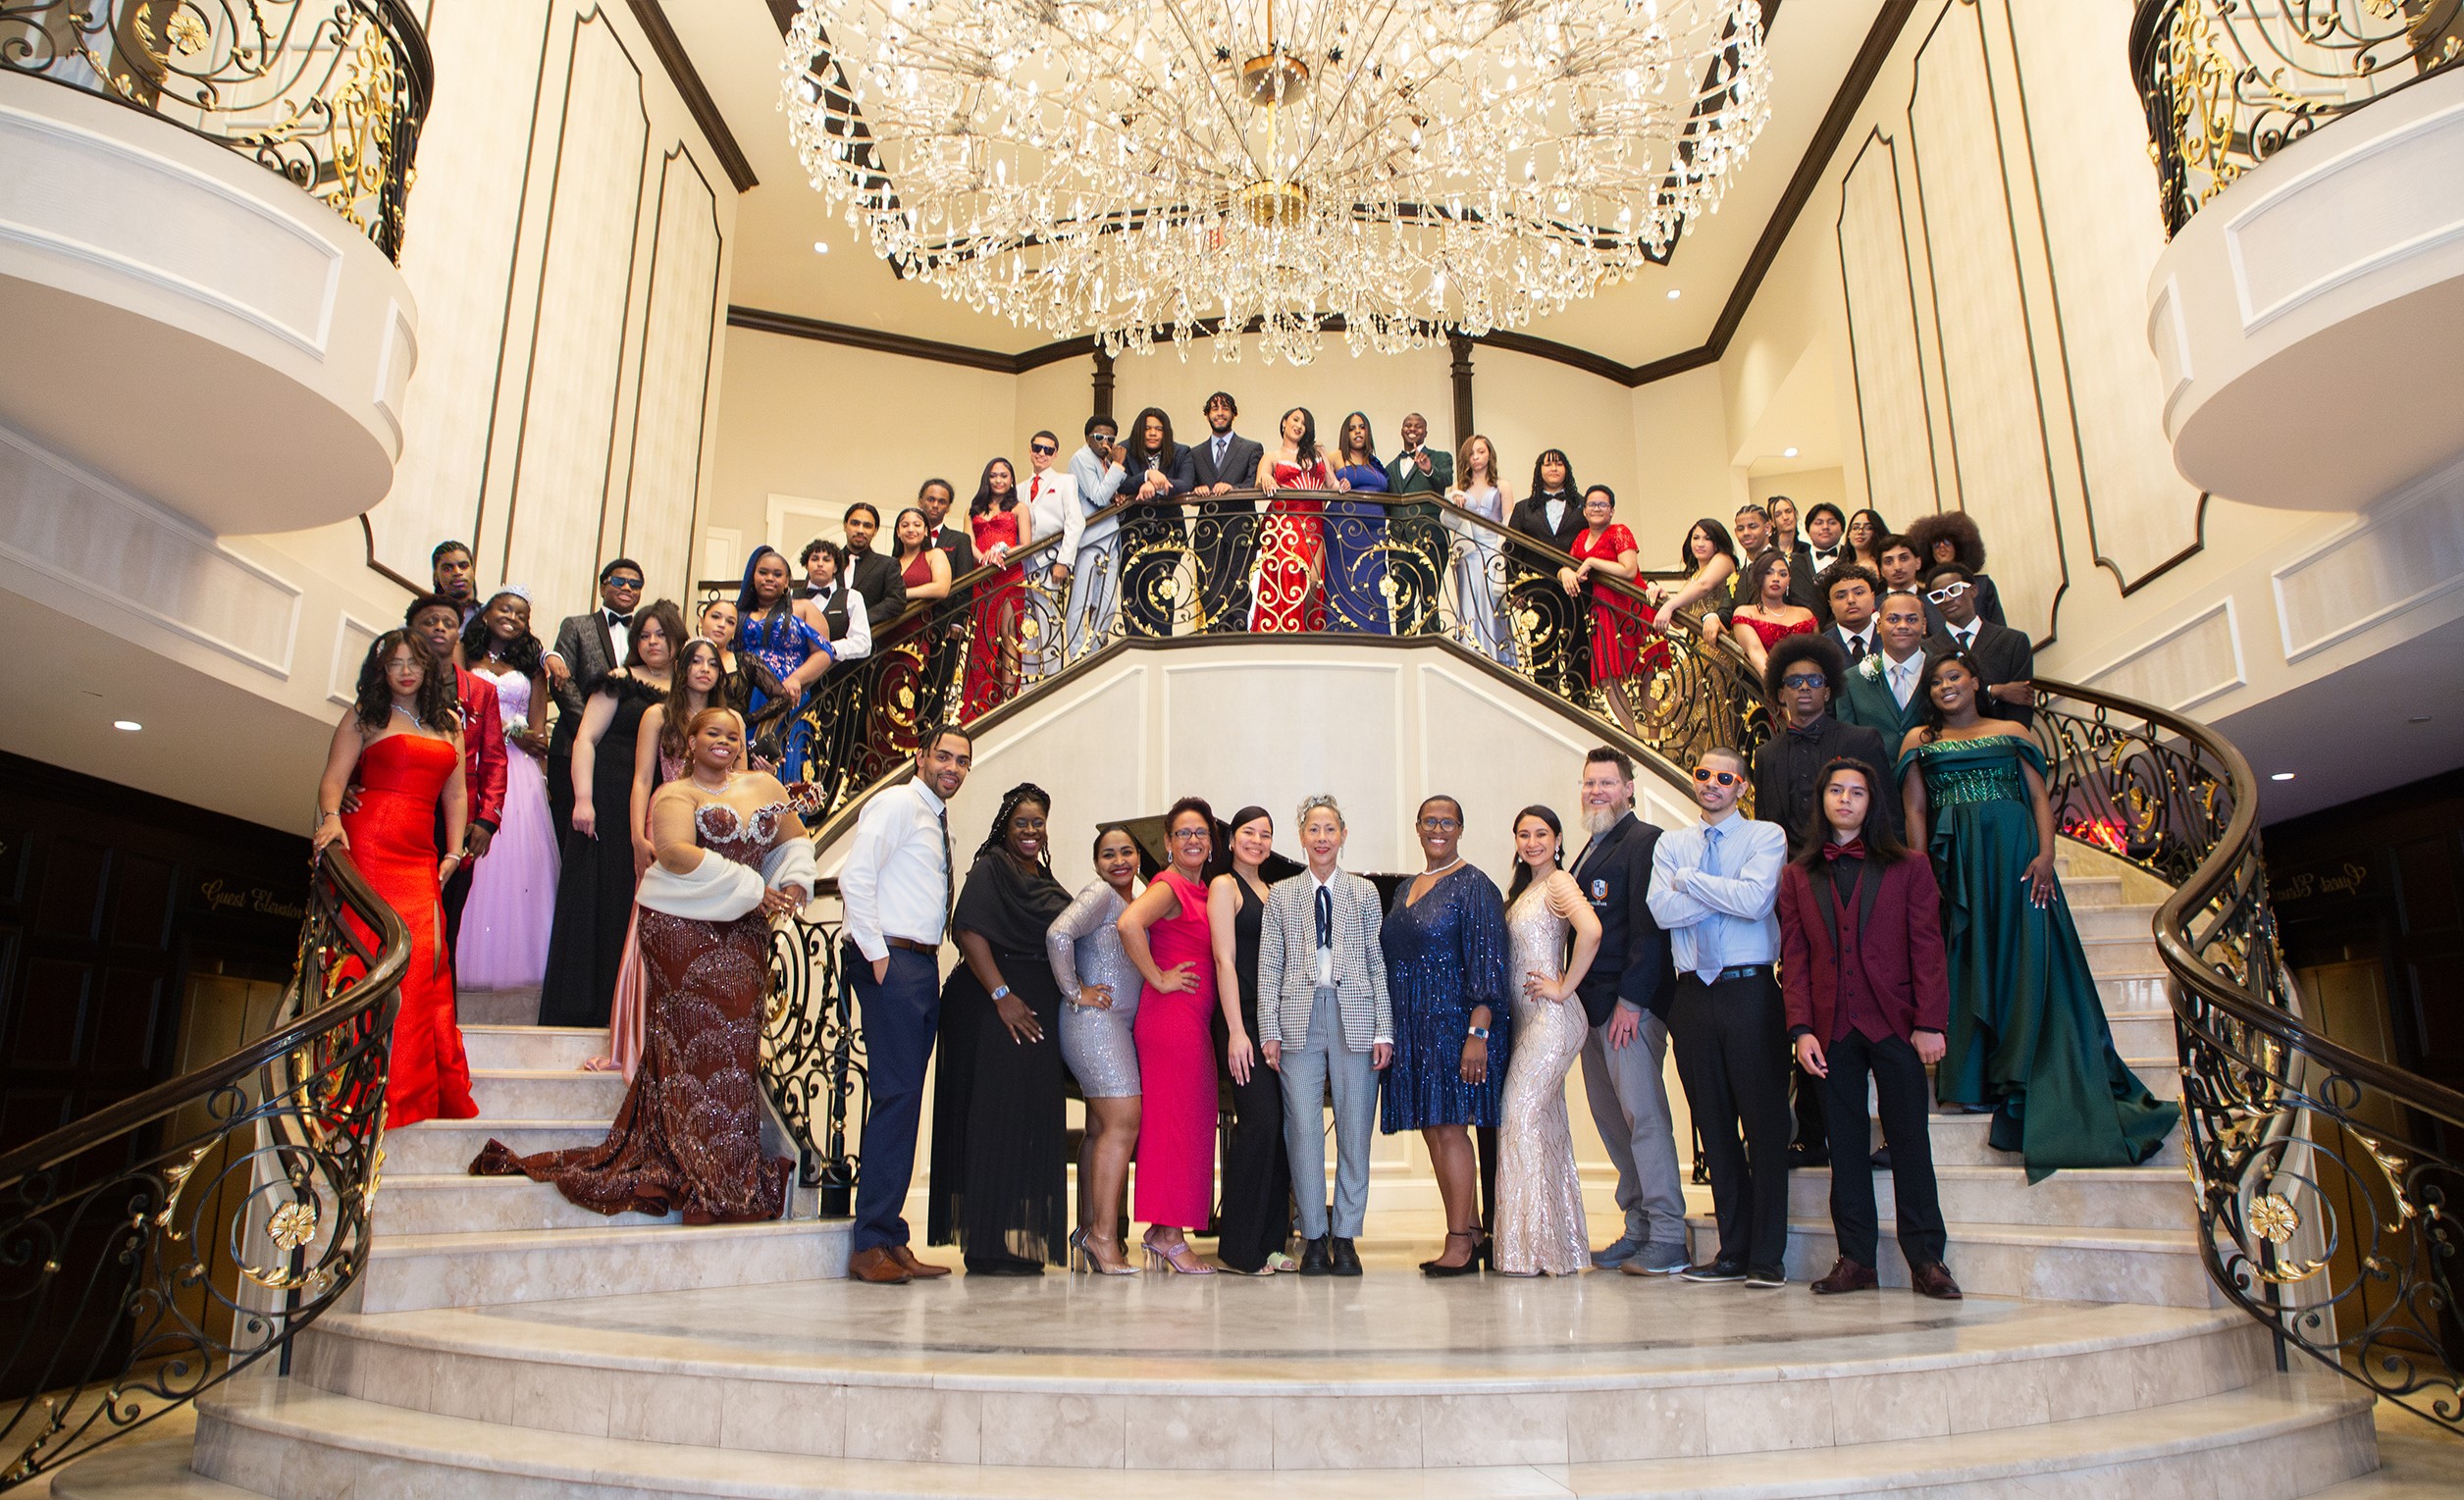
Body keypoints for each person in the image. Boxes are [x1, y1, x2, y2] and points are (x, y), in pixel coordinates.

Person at [472, 707, 808, 1222]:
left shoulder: (766, 785)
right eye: (712, 733)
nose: (723, 741)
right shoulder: (673, 793)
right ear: (690, 743)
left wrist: (793, 881)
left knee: (736, 1047)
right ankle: (687, 1159)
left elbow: (794, 841)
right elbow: (673, 853)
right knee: (688, 1044)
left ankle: (729, 1166)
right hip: (680, 928)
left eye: (732, 735)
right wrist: (750, 887)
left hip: (743, 931)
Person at [1900, 654, 2179, 1178]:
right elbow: (1915, 809)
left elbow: (2037, 797)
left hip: (2015, 857)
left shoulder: (2009, 728)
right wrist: (1922, 872)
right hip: (1955, 860)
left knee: (2021, 958)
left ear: (1976, 681)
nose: (1945, 687)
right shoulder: (1918, 741)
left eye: (1954, 677)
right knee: (1965, 958)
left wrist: (2047, 854)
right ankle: (1973, 1078)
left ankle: (2023, 1067)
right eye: (1935, 681)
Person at [1782, 759, 1963, 1300]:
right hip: (1830, 1028)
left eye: (1856, 792)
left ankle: (1927, 1259)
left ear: (1871, 802)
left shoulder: (1909, 866)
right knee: (1845, 1148)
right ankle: (1856, 1259)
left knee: (1910, 1142)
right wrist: (1801, 1029)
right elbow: (1794, 957)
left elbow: (1929, 948)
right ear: (1823, 800)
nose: (1845, 800)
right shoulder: (1797, 874)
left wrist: (1931, 1022)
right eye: (1835, 790)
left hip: (1897, 1024)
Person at [311, 630, 476, 1129]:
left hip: (420, 855)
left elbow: (456, 795)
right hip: (370, 844)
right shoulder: (366, 716)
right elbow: (332, 780)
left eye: (413, 662)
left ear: (429, 668)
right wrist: (333, 816)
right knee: (372, 957)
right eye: (393, 664)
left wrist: (454, 850)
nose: (404, 671)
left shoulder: (450, 723)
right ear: (380, 671)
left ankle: (415, 1091)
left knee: (423, 960)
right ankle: (366, 1090)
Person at [1650, 748, 1789, 1287]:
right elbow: (1661, 912)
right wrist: (1716, 894)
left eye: (1723, 777)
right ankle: (1731, 1252)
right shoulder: (1673, 843)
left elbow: (1757, 902)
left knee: (1764, 1124)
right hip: (1693, 997)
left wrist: (1690, 883)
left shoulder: (1765, 836)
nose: (1710, 783)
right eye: (1703, 774)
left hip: (1749, 990)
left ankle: (1767, 1257)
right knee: (1713, 1125)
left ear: (1742, 786)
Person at [840, 725, 974, 1284]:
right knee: (897, 1096)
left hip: (918, 961)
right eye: (943, 756)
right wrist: (875, 953)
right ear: (920, 758)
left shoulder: (932, 816)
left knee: (906, 1101)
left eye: (963, 761)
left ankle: (891, 1238)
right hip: (891, 959)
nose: (953, 767)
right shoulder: (897, 803)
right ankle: (870, 1241)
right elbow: (856, 874)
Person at [927, 783, 1074, 1273]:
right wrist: (1002, 996)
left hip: (1033, 1014)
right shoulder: (992, 867)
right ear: (1005, 827)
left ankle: (1011, 1238)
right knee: (993, 1120)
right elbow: (968, 930)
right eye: (1022, 823)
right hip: (991, 1012)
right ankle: (986, 1246)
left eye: (1038, 823)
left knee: (1025, 1123)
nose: (1031, 831)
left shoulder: (1041, 874)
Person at [1257, 795, 1390, 1277]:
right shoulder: (1282, 895)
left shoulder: (1363, 893)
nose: (1321, 838)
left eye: (1330, 829)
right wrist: (1268, 1030)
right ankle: (1313, 1235)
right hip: (1298, 1020)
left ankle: (1346, 1236)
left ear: (1343, 835)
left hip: (1356, 1017)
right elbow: (1269, 965)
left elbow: (1378, 962)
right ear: (1302, 837)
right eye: (1313, 829)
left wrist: (1385, 1030)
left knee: (1355, 1131)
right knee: (1303, 1131)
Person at [1565, 750, 1687, 1276]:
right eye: (1590, 783)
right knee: (1613, 1123)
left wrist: (1632, 1003)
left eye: (1607, 783)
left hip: (1626, 1012)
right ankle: (1637, 1228)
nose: (1597, 791)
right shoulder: (1589, 847)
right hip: (1590, 1013)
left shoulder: (1645, 842)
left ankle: (1667, 1236)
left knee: (1644, 1120)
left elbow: (1649, 930)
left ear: (1630, 788)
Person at [1380, 795, 1510, 1276]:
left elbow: (1488, 963)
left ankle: (1458, 1241)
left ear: (1460, 828)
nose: (1438, 828)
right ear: (1417, 827)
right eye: (1430, 821)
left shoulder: (1475, 885)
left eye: (1447, 822)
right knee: (1435, 1129)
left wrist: (1478, 1032)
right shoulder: (1407, 888)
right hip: (1416, 1025)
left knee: (1451, 1129)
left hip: (1457, 1026)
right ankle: (1470, 1229)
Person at [538, 600, 679, 1029]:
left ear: (678, 640)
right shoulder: (618, 682)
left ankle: (632, 1010)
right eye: (644, 636)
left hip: (662, 803)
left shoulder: (689, 690)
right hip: (607, 798)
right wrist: (584, 798)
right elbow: (585, 740)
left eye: (660, 634)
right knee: (598, 898)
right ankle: (586, 1010)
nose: (652, 643)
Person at [1492, 805, 1602, 1276]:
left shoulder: (1558, 882)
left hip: (1554, 1020)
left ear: (1558, 839)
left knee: (1516, 1117)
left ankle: (1530, 1251)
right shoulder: (1526, 890)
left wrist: (1564, 985)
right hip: (1528, 1023)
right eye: (1523, 834)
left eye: (1541, 834)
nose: (1532, 841)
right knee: (1545, 1126)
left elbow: (1592, 930)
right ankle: (1559, 1248)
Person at [1116, 798, 1222, 1273]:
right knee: (1176, 1124)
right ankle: (1172, 1236)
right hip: (1171, 1016)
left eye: (1200, 832)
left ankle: (1161, 1231)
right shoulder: (1171, 884)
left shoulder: (1204, 891)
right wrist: (1158, 976)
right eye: (1183, 833)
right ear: (1166, 843)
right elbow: (1128, 922)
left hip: (1190, 1019)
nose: (1193, 840)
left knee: (1187, 1121)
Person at [1047, 824, 1144, 1275]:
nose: (1119, 860)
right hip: (1095, 1023)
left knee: (1100, 1128)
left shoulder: (1133, 899)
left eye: (1126, 852)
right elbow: (1058, 934)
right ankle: (1106, 1239)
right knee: (1124, 1122)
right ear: (1096, 863)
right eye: (1108, 854)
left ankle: (1088, 1231)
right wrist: (1075, 990)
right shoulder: (1100, 894)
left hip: (1114, 1024)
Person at [455, 589, 557, 998]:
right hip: (472, 760)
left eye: (520, 613)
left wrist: (527, 739)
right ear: (486, 613)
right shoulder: (465, 654)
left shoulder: (531, 667)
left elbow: (537, 729)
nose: (512, 617)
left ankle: (514, 957)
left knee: (515, 865)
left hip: (516, 768)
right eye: (504, 609)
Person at [1208, 805, 1294, 1274]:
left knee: (1280, 1130)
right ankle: (1238, 1251)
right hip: (1241, 1020)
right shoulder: (1224, 886)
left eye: (1265, 834)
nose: (1257, 841)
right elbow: (1224, 960)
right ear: (1232, 839)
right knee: (1257, 1126)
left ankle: (1272, 1244)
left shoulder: (1272, 890)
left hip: (1273, 1021)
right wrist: (1236, 1031)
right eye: (1248, 833)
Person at [406, 595, 506, 958]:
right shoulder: (398, 682)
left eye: (448, 623)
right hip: (404, 810)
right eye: (429, 621)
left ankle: (439, 1010)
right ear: (412, 632)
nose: (439, 628)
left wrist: (487, 819)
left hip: (457, 820)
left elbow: (495, 759)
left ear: (457, 633)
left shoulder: (481, 692)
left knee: (445, 921)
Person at [1755, 637, 1897, 851]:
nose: (1804, 686)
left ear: (1827, 692)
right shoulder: (1767, 755)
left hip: (1858, 865)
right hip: (1792, 874)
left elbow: (1889, 814)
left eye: (1815, 680)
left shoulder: (1862, 741)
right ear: (1781, 694)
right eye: (1794, 681)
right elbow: (1763, 829)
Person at [544, 558, 644, 833]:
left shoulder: (645, 636)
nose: (627, 587)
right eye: (618, 581)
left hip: (627, 751)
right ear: (602, 587)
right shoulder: (576, 625)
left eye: (635, 584)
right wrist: (593, 728)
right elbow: (563, 684)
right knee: (570, 826)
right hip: (574, 743)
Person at [734, 546, 838, 781]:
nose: (770, 578)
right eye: (763, 572)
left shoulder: (803, 608)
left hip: (786, 694)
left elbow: (824, 653)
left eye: (777, 574)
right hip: (744, 696)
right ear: (753, 576)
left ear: (787, 580)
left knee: (784, 759)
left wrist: (796, 678)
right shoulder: (737, 612)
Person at [1557, 486, 1653, 692]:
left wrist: (1592, 561)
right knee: (1608, 680)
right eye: (1592, 504)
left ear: (1612, 510)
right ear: (1584, 511)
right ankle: (1630, 727)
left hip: (1630, 607)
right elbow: (1571, 565)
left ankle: (1654, 726)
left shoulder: (1619, 531)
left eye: (1603, 504)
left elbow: (1629, 571)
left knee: (1646, 672)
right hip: (1603, 612)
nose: (1597, 509)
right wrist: (1564, 571)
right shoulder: (1582, 536)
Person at [1254, 406, 1337, 633]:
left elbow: (1333, 485)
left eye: (1304, 423)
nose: (1299, 425)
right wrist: (1268, 477)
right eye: (1295, 420)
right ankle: (1286, 631)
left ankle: (1305, 629)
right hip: (1283, 524)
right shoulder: (1273, 456)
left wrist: (1343, 485)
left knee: (1314, 581)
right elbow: (1260, 481)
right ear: (1284, 423)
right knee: (1286, 579)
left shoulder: (1317, 454)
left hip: (1314, 522)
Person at [1507, 451, 1584, 693]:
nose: (1553, 468)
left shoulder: (1583, 504)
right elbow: (1512, 549)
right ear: (1539, 470)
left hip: (1576, 590)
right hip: (1538, 589)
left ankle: (1580, 704)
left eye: (1559, 463)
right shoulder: (1522, 508)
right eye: (1548, 463)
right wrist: (1515, 588)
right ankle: (1548, 705)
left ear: (1567, 470)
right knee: (1541, 652)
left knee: (1578, 648)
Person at [1189, 391, 1265, 634]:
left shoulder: (1251, 448)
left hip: (1241, 527)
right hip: (1208, 530)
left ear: (1234, 413)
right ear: (1207, 415)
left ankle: (1238, 637)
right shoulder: (1195, 453)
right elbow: (1188, 485)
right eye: (1214, 409)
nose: (1219, 413)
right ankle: (1216, 638)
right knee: (1209, 586)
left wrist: (1233, 488)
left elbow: (1254, 483)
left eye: (1224, 408)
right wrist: (1196, 490)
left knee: (1240, 585)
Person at [1117, 406, 1194, 638]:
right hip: (1133, 531)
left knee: (1162, 585)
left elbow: (1185, 484)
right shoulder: (1125, 450)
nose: (1152, 433)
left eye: (1158, 429)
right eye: (1148, 428)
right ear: (1140, 430)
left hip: (1169, 531)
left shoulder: (1181, 452)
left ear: (1165, 432)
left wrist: (1156, 486)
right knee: (1132, 585)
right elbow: (1118, 481)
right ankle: (1134, 644)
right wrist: (1145, 477)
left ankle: (1161, 642)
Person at [1927, 562, 2034, 726]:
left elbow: (2021, 700)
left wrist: (2014, 743)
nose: (1947, 599)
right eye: (1938, 595)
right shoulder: (1927, 649)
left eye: (1954, 590)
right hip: (1951, 742)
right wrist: (1994, 691)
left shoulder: (2012, 641)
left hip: (2003, 740)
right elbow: (1929, 703)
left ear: (1973, 590)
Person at [696, 598, 793, 771]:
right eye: (715, 617)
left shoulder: (744, 661)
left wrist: (745, 720)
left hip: (729, 748)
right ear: (701, 621)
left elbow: (783, 698)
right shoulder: (682, 657)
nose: (721, 625)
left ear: (734, 631)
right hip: (689, 744)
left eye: (730, 622)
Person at [964, 456, 1027, 718]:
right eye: (994, 475)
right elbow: (968, 544)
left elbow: (1026, 543)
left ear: (1011, 479)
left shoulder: (1019, 508)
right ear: (986, 479)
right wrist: (985, 558)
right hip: (983, 576)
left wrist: (1002, 554)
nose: (999, 480)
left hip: (1010, 573)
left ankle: (1008, 698)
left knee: (1009, 633)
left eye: (1004, 475)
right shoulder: (972, 510)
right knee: (983, 637)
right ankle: (980, 700)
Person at [1837, 590, 1942, 745]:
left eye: (1912, 620)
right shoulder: (1851, 680)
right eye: (1893, 619)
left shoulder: (1942, 671)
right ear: (1879, 625)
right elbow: (1847, 742)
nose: (1902, 626)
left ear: (1924, 625)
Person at [1064, 415, 1129, 659]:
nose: (1105, 443)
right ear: (1087, 437)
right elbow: (1099, 496)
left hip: (1110, 540)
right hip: (1090, 540)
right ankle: (1077, 655)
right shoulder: (1081, 459)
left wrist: (1118, 495)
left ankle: (1094, 651)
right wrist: (1119, 465)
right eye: (1099, 437)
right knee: (1081, 601)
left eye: (1110, 439)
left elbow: (1108, 494)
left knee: (1108, 604)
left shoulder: (1105, 462)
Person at [1445, 434, 1514, 662]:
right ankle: (1470, 653)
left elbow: (1508, 521)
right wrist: (1455, 504)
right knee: (1469, 601)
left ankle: (1499, 657)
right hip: (1468, 552)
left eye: (1481, 451)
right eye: (1471, 453)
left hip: (1494, 550)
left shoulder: (1502, 486)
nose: (1476, 457)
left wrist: (1501, 549)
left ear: (1489, 454)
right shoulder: (1458, 486)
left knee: (1495, 602)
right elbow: (1447, 520)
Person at [1385, 411, 1451, 635]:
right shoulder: (1390, 467)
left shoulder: (1441, 457)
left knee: (1429, 598)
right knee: (1402, 599)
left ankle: (1432, 646)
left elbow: (1446, 480)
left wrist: (1429, 470)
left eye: (1418, 426)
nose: (1412, 428)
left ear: (1425, 432)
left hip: (1429, 539)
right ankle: (1404, 646)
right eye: (1408, 425)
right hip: (1398, 542)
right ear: (1401, 430)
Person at [1325, 411, 1390, 634]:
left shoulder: (1375, 463)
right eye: (1352, 428)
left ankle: (1375, 634)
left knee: (1372, 583)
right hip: (1343, 529)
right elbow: (1323, 477)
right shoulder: (1336, 456)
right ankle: (1343, 633)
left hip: (1374, 531)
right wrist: (1335, 482)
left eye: (1361, 427)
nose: (1357, 432)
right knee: (1345, 581)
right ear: (1346, 433)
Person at [1906, 511, 2008, 627]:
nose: (1942, 547)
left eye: (1947, 542)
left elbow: (1999, 628)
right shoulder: (1925, 598)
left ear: (1958, 546)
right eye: (1936, 544)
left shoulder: (1982, 586)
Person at [1649, 519, 1739, 645]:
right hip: (1696, 646)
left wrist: (1668, 606)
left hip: (1719, 644)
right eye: (1696, 538)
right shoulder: (1694, 577)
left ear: (1717, 543)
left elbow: (1704, 585)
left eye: (1707, 539)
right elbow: (1679, 623)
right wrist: (1665, 600)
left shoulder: (1724, 559)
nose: (1700, 544)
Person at [1728, 551, 1817, 680]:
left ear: (1789, 580)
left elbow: (1817, 656)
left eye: (1783, 574)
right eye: (1768, 573)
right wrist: (1783, 690)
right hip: (1768, 687)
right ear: (1758, 578)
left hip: (1808, 684)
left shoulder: (1805, 614)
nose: (1776, 578)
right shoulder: (1745, 614)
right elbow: (1758, 657)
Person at [838, 503, 910, 621]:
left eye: (867, 526)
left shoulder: (887, 565)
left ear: (875, 531)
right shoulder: (827, 561)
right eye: (855, 523)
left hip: (869, 635)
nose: (860, 530)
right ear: (845, 526)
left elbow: (897, 601)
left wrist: (860, 619)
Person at [1820, 563, 1883, 665]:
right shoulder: (1820, 648)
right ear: (1831, 604)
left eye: (1859, 593)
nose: (1851, 600)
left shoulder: (1891, 639)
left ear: (1873, 597)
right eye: (1841, 596)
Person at [431, 541, 480, 625]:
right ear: (436, 576)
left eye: (463, 566)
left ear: (473, 570)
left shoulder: (488, 618)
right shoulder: (424, 619)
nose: (457, 572)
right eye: (447, 568)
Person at [1846, 508, 1892, 573]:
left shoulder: (1883, 565)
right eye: (1855, 528)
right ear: (1848, 534)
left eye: (1868, 528)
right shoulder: (1841, 565)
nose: (1860, 532)